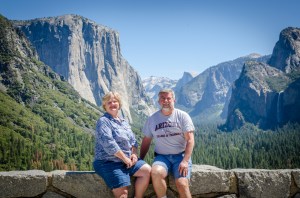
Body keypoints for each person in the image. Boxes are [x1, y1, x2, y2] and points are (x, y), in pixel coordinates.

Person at [93, 91, 151, 198]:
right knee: (123, 195)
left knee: (147, 170)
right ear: (104, 106)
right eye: (109, 102)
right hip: (108, 162)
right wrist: (125, 158)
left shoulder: (123, 122)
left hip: (126, 161)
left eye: (115, 101)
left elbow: (133, 141)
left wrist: (133, 154)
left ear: (119, 104)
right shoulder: (103, 121)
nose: (112, 104)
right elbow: (109, 143)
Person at [140, 89, 195, 198]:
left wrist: (185, 161)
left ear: (173, 100)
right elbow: (146, 141)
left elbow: (190, 140)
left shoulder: (183, 116)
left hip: (181, 156)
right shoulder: (152, 119)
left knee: (182, 183)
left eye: (168, 98)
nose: (166, 100)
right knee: (156, 172)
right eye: (162, 98)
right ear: (158, 101)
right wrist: (140, 159)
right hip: (161, 157)